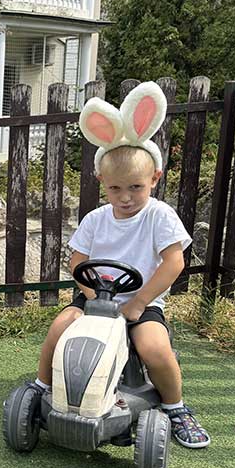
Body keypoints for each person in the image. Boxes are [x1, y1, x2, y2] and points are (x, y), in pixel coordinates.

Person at [33, 81, 210, 448]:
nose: (126, 198)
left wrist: (140, 302)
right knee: (61, 325)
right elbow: (78, 260)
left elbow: (174, 262)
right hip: (95, 298)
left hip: (141, 302)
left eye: (135, 188)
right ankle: (41, 386)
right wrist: (91, 297)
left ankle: (176, 406)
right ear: (102, 181)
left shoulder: (159, 216)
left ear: (154, 179)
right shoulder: (96, 219)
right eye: (116, 189)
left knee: (153, 347)